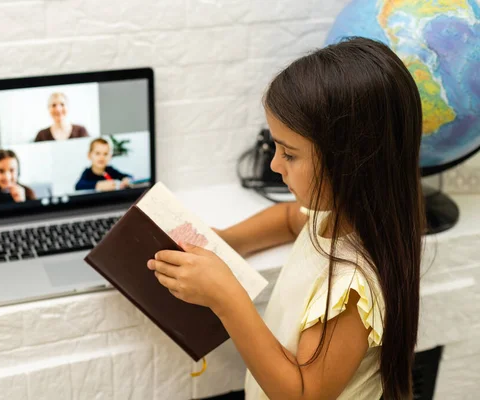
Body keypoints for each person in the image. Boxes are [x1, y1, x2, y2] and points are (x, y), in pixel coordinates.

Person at [147, 37, 424, 400]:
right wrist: (230, 242)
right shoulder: (335, 217)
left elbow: (303, 395)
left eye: (289, 154)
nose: (275, 165)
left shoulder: (352, 289)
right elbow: (292, 220)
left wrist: (227, 297)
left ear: (352, 163)